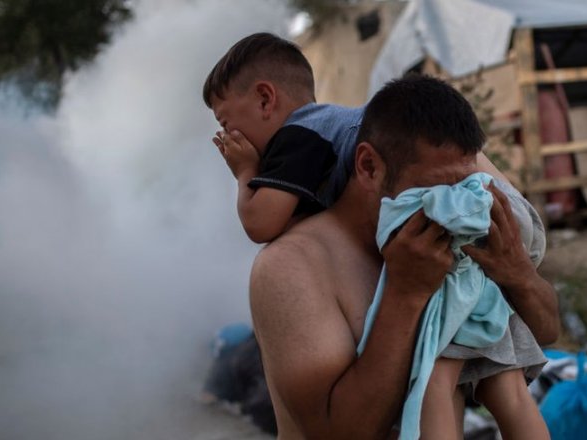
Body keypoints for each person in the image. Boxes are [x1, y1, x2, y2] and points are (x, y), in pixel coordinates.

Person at [219, 74, 560, 438]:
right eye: (434, 188)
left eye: (464, 184)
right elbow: (333, 433)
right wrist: (404, 294)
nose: (455, 202)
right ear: (368, 167)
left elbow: (547, 332)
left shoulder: (460, 233)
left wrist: (519, 275)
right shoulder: (294, 265)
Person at [202, 33, 363, 243]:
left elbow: (259, 224)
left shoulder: (297, 136)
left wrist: (245, 171)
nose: (225, 136)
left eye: (225, 123)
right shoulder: (316, 130)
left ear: (265, 100)